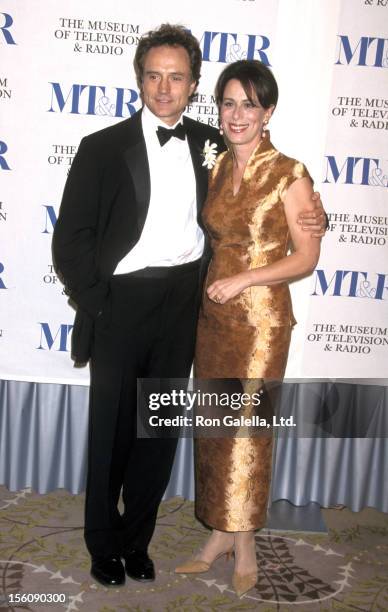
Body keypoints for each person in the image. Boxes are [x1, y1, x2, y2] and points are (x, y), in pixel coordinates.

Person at [52, 25, 326, 588]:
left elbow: (269, 203)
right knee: (111, 433)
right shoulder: (101, 147)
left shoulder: (213, 146)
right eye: (154, 75)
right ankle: (103, 545)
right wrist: (101, 305)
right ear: (140, 79)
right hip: (120, 304)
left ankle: (136, 543)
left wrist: (319, 220)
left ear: (193, 84)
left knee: (159, 431)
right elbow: (70, 241)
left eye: (176, 76)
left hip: (185, 304)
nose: (164, 86)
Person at [175, 60, 321, 598]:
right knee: (214, 431)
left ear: (269, 112)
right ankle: (219, 536)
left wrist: (246, 279)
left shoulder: (289, 172)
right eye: (229, 103)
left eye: (249, 105)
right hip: (214, 320)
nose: (237, 115)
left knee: (247, 434)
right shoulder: (214, 166)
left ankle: (247, 542)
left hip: (261, 323)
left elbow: (305, 257)